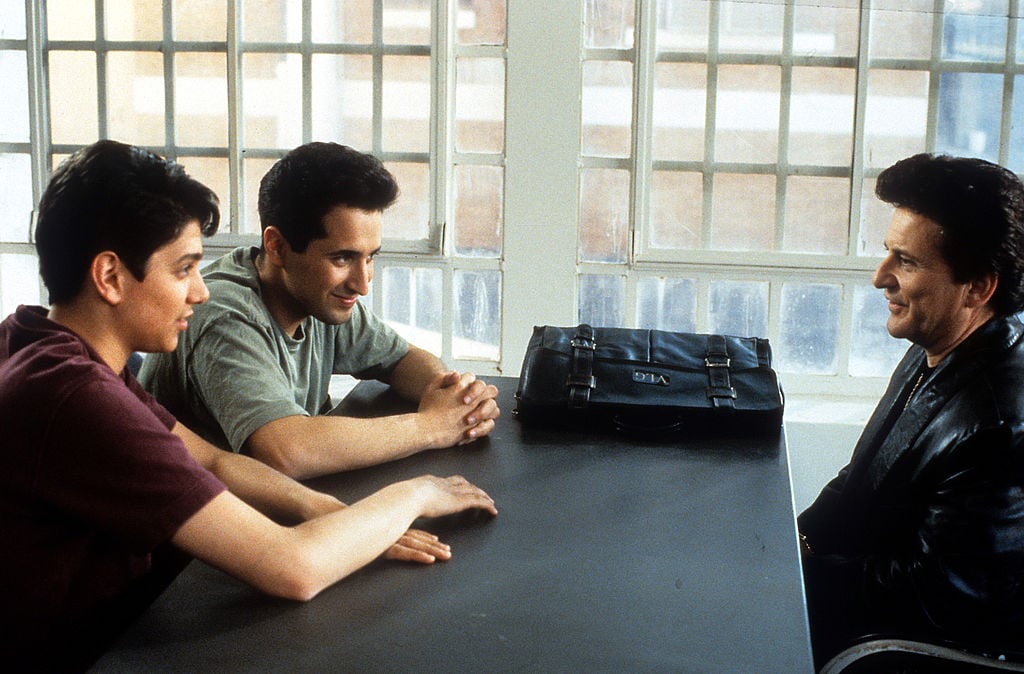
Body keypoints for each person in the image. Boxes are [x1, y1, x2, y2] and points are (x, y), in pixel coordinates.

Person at [0, 140, 498, 672]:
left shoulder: (48, 344)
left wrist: (331, 512)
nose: (200, 291)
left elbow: (211, 460)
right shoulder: (74, 394)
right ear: (109, 277)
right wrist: (416, 492)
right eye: (183, 269)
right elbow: (294, 568)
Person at [138, 142, 500, 480]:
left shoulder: (317, 297)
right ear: (277, 247)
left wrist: (458, 400)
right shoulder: (225, 314)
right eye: (342, 258)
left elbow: (402, 359)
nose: (362, 283)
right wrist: (432, 426)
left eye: (370, 257)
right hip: (188, 543)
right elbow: (285, 451)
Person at [798, 153, 1024, 668]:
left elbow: (937, 596)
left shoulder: (998, 424)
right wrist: (795, 540)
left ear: (980, 287)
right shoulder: (936, 346)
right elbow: (860, 478)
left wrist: (796, 573)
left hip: (914, 651)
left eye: (908, 261)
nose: (881, 277)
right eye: (888, 253)